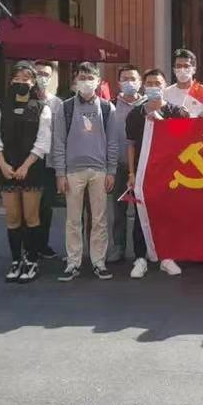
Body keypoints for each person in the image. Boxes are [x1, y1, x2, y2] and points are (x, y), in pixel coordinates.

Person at [0, 61, 53, 284]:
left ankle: (32, 260)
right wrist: (2, 163)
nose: (21, 82)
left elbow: (43, 142)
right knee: (13, 218)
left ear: (33, 82)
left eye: (26, 79)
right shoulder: (1, 107)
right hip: (6, 167)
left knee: (31, 217)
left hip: (31, 169)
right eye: (17, 78)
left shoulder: (42, 108)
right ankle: (16, 261)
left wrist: (26, 166)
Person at [52, 62, 119, 282]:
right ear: (75, 81)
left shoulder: (107, 108)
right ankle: (73, 262)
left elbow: (112, 143)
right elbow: (58, 142)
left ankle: (99, 261)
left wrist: (111, 171)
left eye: (90, 78)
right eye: (82, 77)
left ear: (98, 81)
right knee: (73, 220)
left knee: (99, 219)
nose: (86, 82)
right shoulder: (65, 108)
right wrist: (60, 173)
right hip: (73, 172)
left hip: (99, 171)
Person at [126, 69, 189, 279]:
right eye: (150, 83)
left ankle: (167, 257)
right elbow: (131, 145)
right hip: (143, 173)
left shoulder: (176, 112)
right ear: (144, 86)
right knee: (140, 215)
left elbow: (185, 141)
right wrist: (131, 173)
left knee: (167, 215)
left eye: (158, 83)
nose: (154, 87)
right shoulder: (135, 114)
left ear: (165, 85)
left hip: (169, 175)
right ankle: (140, 258)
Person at [109, 64, 144, 266]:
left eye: (133, 79)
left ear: (140, 83)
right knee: (118, 211)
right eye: (125, 79)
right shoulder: (111, 106)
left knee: (142, 212)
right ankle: (119, 247)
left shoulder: (147, 105)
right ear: (119, 83)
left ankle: (143, 250)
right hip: (118, 166)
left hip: (142, 166)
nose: (129, 82)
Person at [33, 60, 62, 260]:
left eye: (46, 74)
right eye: (39, 73)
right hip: (27, 160)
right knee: (28, 205)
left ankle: (42, 244)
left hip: (48, 161)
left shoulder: (57, 104)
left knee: (45, 206)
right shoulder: (24, 100)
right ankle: (28, 246)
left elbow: (60, 136)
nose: (42, 78)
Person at [163, 48, 203, 118]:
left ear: (194, 69)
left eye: (186, 66)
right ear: (174, 70)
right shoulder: (166, 93)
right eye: (178, 66)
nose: (182, 69)